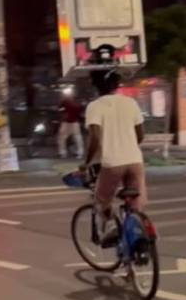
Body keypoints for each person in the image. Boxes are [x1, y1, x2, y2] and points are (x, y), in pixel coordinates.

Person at [82, 70, 147, 219]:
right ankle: (139, 231)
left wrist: (86, 163)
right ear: (117, 85)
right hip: (135, 161)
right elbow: (140, 135)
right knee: (136, 204)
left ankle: (111, 226)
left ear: (96, 87)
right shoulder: (131, 103)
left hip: (112, 164)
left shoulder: (95, 107)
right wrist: (127, 146)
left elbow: (95, 139)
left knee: (101, 200)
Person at [58, 91, 85, 160]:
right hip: (66, 122)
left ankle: (80, 153)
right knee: (62, 137)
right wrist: (63, 112)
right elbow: (60, 108)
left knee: (77, 138)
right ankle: (62, 153)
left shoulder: (76, 102)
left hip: (74, 122)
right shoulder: (64, 102)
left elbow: (80, 110)